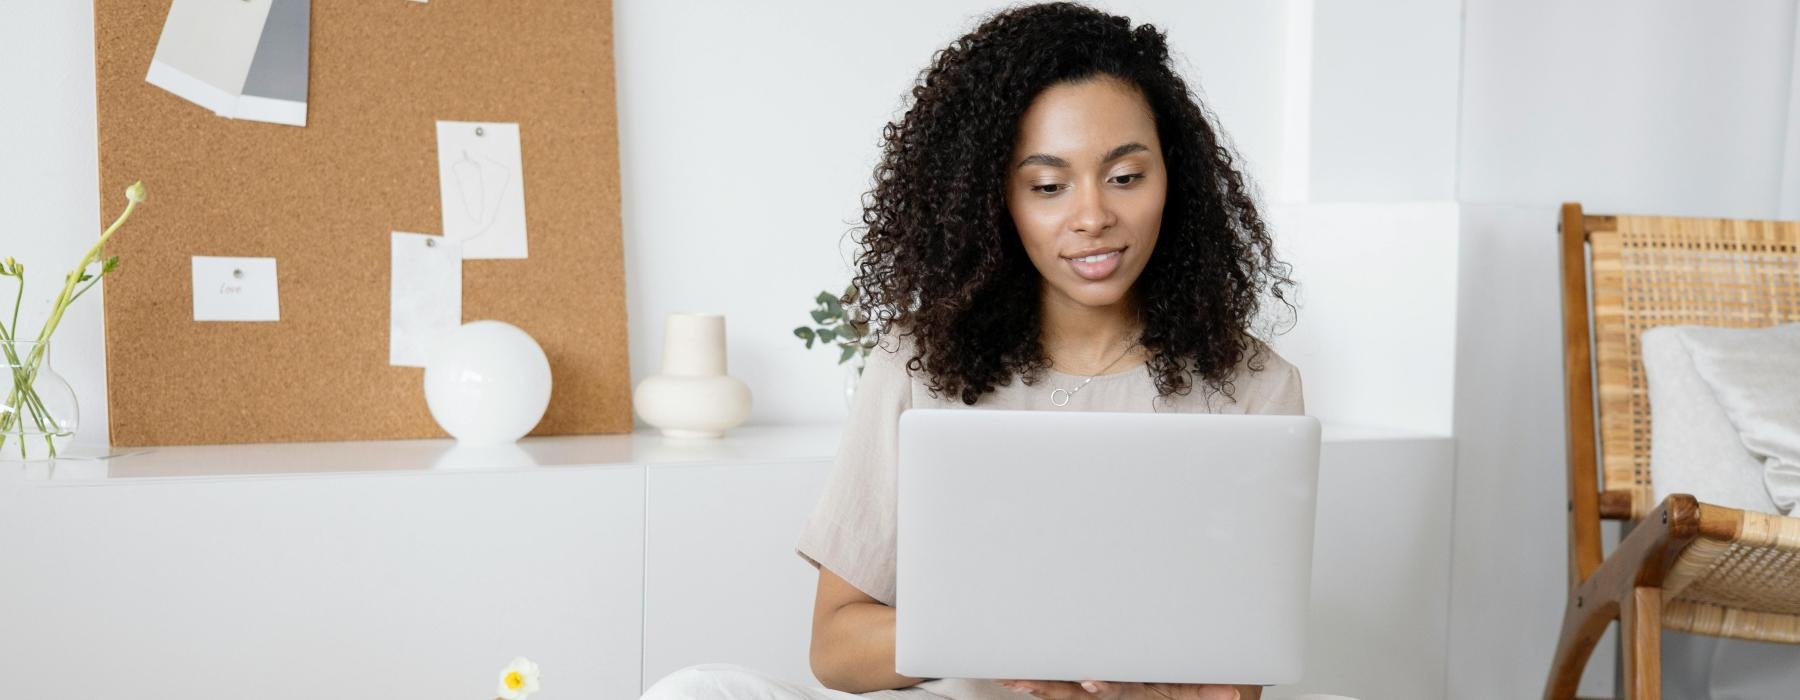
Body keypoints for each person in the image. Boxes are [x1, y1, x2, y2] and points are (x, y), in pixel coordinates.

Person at [642, 3, 1300, 699]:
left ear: (1178, 180)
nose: (1092, 216)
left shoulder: (1252, 386)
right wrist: (1004, 625)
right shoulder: (917, 361)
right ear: (996, 200)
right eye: (1047, 186)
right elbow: (836, 646)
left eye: (1127, 177)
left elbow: (1237, 679)